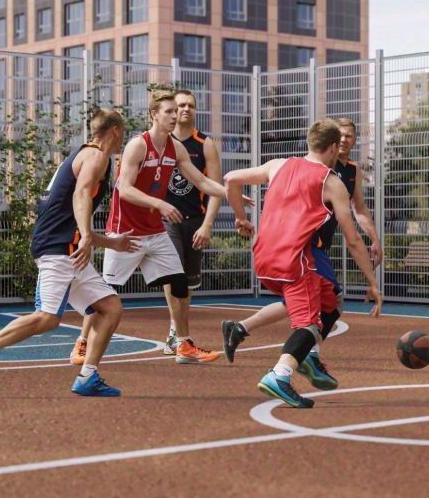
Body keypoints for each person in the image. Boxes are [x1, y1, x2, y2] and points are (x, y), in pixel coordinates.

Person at [0, 109, 138, 397]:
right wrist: (87, 237)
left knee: (111, 308)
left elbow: (69, 214)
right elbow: (80, 195)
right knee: (47, 317)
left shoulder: (81, 155)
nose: (123, 139)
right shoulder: (96, 157)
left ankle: (87, 377)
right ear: (115, 130)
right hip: (58, 249)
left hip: (68, 249)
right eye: (123, 133)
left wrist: (108, 242)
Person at [225, 118, 382, 409]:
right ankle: (280, 374)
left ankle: (298, 353)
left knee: (330, 302)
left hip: (263, 255)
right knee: (310, 323)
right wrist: (372, 282)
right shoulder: (331, 182)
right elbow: (352, 240)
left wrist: (241, 217)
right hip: (295, 260)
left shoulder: (278, 165)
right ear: (333, 147)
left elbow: (231, 179)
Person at [71, 89, 228, 365]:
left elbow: (201, 182)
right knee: (105, 292)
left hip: (154, 232)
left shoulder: (176, 148)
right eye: (169, 111)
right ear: (154, 114)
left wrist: (230, 193)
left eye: (176, 111)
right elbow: (124, 188)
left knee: (179, 283)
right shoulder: (138, 145)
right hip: (125, 232)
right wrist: (160, 204)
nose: (175, 115)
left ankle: (183, 344)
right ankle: (82, 343)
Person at [159, 88, 224, 354]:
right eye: (181, 105)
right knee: (172, 272)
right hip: (166, 219)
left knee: (187, 282)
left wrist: (207, 225)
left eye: (190, 106)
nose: (186, 109)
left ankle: (179, 332)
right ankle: (176, 333)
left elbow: (214, 187)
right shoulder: (161, 141)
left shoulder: (205, 144)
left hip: (195, 220)